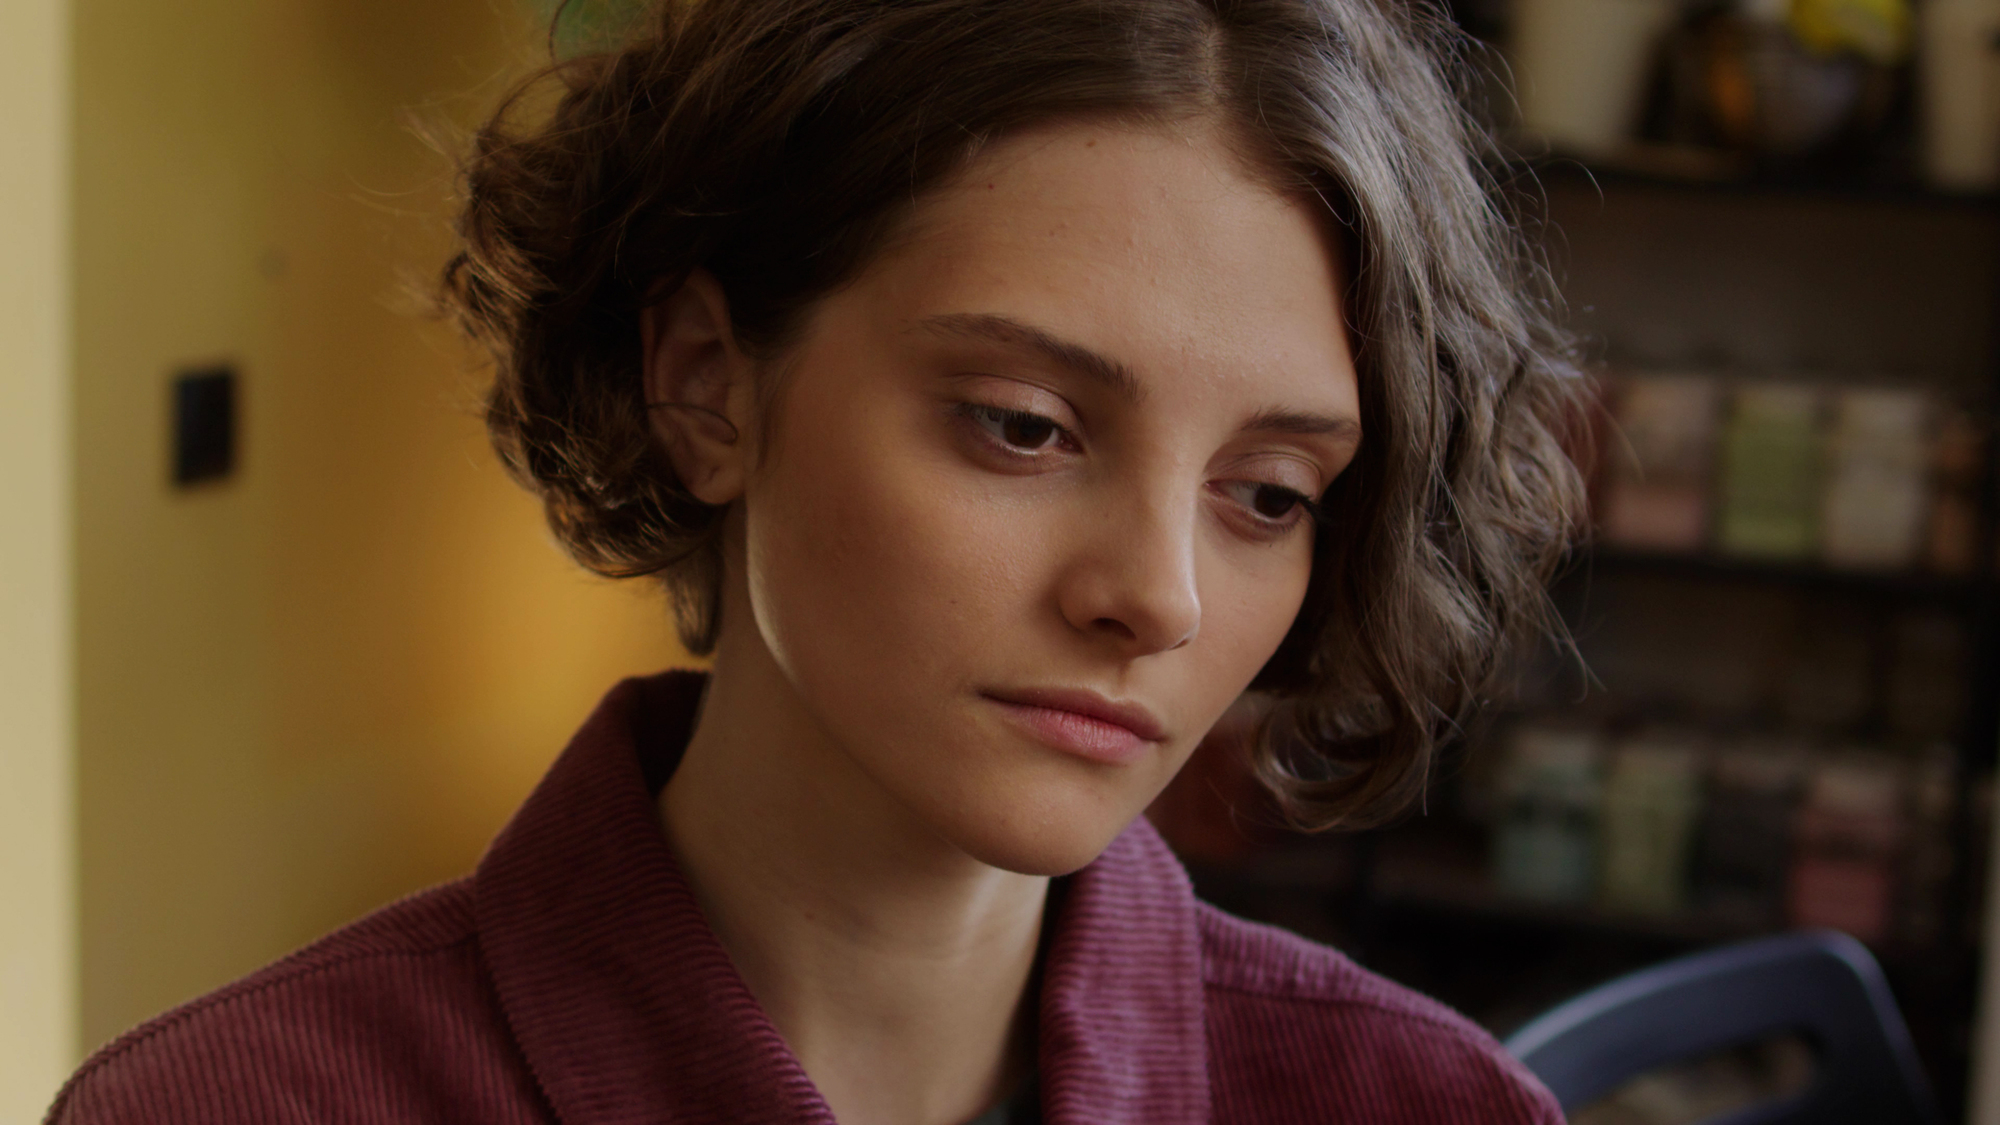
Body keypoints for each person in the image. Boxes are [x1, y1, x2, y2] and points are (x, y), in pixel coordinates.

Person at [47, 0, 1587, 1121]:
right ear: (708, 382)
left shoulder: (1431, 1105)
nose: (1160, 596)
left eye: (1265, 494)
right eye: (1025, 426)